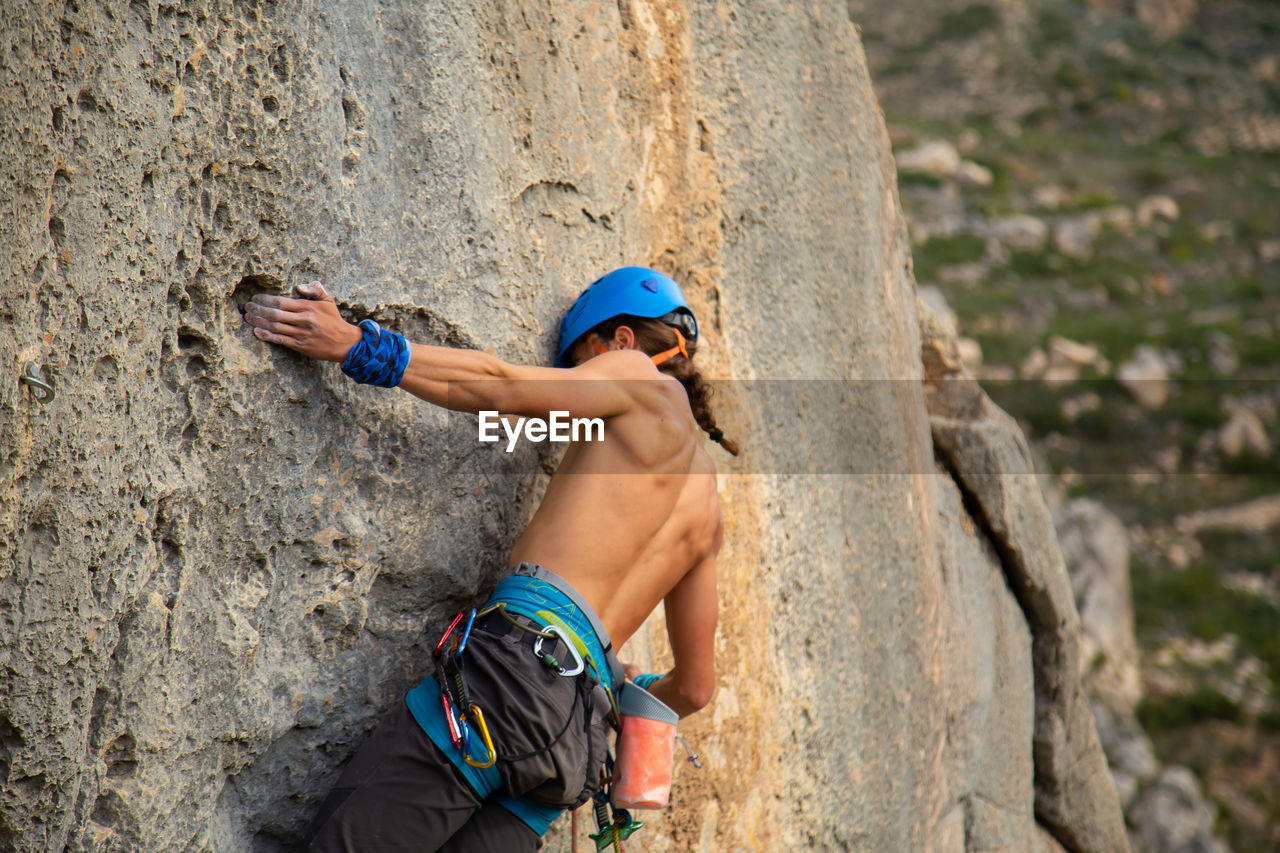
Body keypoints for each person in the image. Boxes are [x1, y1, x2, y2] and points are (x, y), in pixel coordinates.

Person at [242, 266, 738, 851]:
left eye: (579, 366)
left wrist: (356, 344)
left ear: (622, 341)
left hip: (506, 684)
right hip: (571, 745)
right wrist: (621, 681)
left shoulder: (636, 378)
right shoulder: (708, 513)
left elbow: (501, 384)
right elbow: (695, 691)